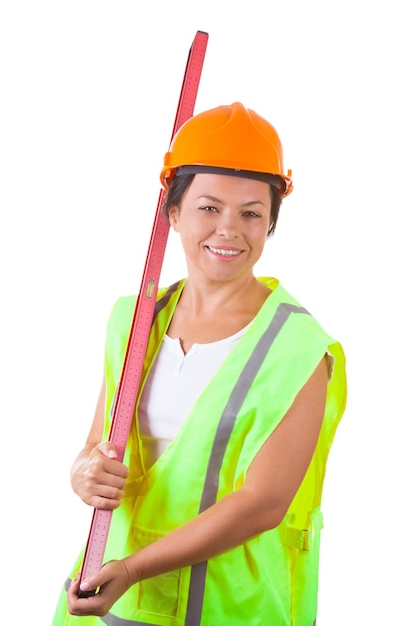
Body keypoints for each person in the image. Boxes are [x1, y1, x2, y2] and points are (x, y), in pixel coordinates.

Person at [52, 102, 347, 626]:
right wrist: (83, 473)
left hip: (227, 608)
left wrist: (134, 569)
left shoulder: (299, 349)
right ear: (172, 213)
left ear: (271, 222)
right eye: (209, 207)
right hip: (108, 605)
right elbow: (97, 448)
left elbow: (264, 503)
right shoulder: (133, 320)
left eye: (251, 212)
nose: (229, 229)